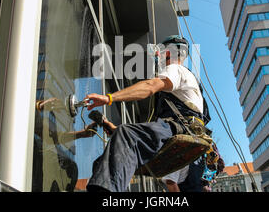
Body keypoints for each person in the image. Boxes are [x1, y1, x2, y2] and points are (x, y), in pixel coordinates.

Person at [84, 35, 209, 192]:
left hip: (178, 129)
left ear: (168, 53)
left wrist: (109, 98)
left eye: (160, 52)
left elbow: (150, 86)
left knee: (126, 135)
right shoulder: (186, 81)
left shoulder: (175, 69)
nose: (157, 57)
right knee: (101, 163)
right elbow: (144, 137)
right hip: (177, 130)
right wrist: (115, 131)